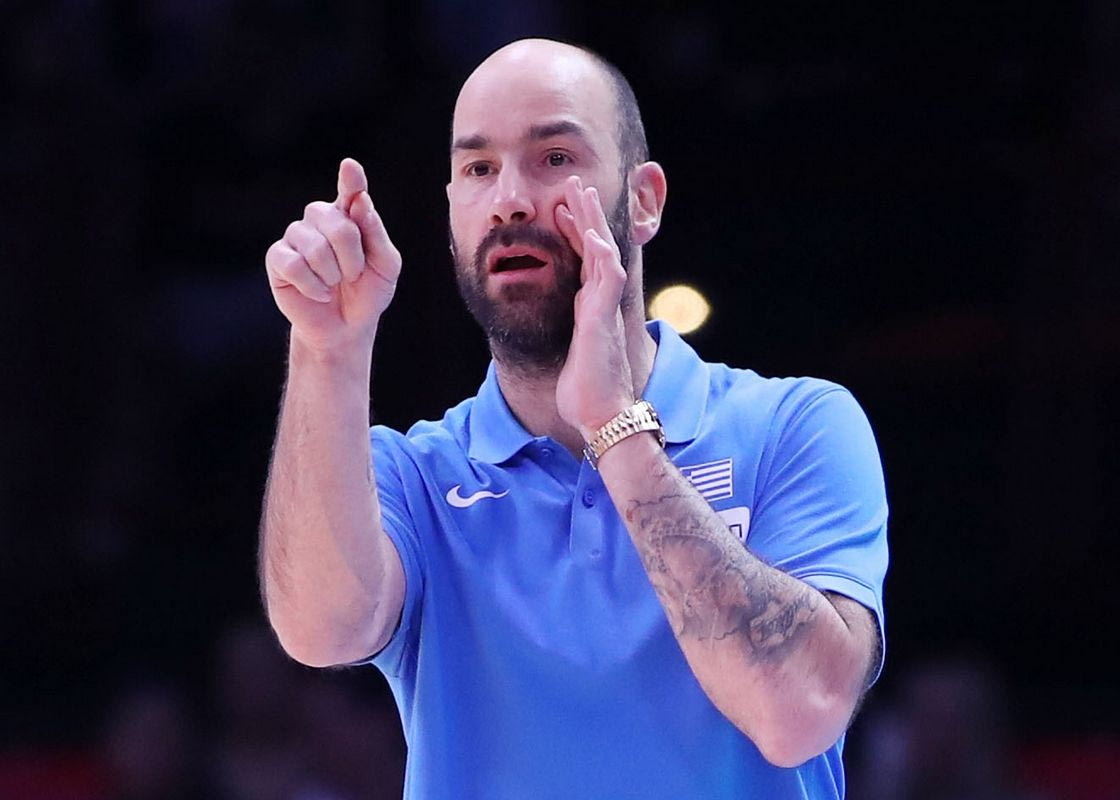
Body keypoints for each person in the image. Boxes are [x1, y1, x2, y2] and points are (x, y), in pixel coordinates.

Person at [260, 37, 889, 799]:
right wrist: (327, 348)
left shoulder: (796, 425)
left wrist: (615, 428)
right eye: (478, 168)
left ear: (644, 199)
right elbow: (320, 634)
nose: (510, 199)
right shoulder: (412, 475)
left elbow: (800, 713)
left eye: (554, 157)